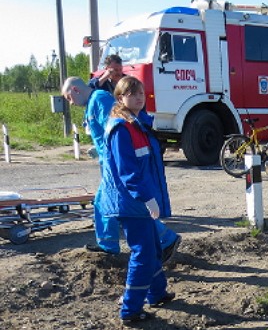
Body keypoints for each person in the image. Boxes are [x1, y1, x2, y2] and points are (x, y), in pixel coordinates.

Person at [61, 77, 180, 258]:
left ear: (75, 90)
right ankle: (116, 244)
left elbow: (114, 126)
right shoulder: (93, 102)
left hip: (115, 162)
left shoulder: (99, 99)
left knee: (118, 204)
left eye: (69, 98)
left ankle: (163, 240)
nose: (71, 103)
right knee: (109, 203)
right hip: (110, 160)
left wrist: (107, 152)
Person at [97, 76, 176, 324]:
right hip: (132, 203)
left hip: (139, 201)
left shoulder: (137, 123)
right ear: (120, 98)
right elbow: (127, 171)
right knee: (143, 252)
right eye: (132, 94)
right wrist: (146, 197)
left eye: (141, 93)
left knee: (153, 246)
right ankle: (130, 310)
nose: (139, 98)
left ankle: (157, 293)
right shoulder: (122, 128)